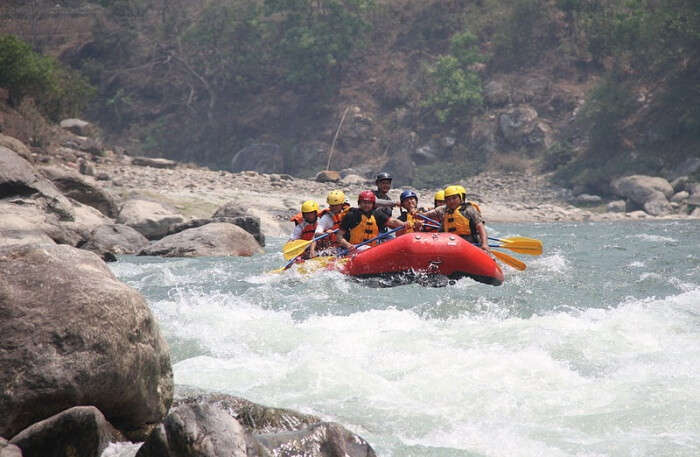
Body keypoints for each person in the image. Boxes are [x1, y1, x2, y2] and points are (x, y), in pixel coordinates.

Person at [336, 190, 410, 253]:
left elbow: (393, 222)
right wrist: (347, 245)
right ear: (359, 203)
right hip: (355, 248)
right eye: (364, 202)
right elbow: (339, 236)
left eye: (369, 203)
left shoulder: (377, 214)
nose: (366, 205)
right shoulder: (351, 215)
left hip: (372, 249)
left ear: (373, 204)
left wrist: (404, 224)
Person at [440, 185, 489, 251]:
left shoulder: (469, 210)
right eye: (448, 199)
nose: (451, 201)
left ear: (461, 198)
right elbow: (441, 233)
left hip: (472, 244)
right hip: (453, 246)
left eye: (454, 198)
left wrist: (484, 244)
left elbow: (480, 227)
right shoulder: (446, 214)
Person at [309, 190, 350, 257]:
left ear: (342, 204)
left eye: (336, 205)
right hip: (334, 249)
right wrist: (325, 234)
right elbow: (316, 234)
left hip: (349, 245)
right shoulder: (326, 218)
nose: (333, 208)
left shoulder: (348, 214)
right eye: (331, 205)